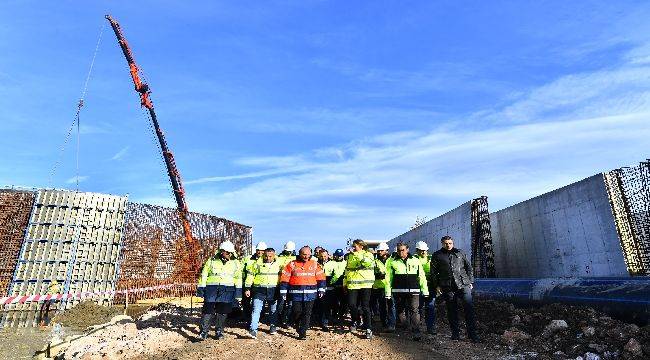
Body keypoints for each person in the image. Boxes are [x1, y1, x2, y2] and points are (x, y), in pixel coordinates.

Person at [430, 235, 479, 342]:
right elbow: (433, 272)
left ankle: (472, 334)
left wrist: (470, 281)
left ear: (453, 243)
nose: (448, 245)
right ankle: (455, 334)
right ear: (442, 244)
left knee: (469, 308)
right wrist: (437, 285)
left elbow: (469, 267)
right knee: (452, 311)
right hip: (448, 286)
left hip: (463, 285)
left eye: (450, 243)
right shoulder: (437, 255)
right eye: (446, 243)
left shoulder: (460, 253)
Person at [196, 241, 243, 340]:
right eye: (227, 252)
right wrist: (201, 288)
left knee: (222, 312)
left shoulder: (236, 262)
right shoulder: (212, 260)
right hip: (211, 289)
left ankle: (219, 332)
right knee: (207, 310)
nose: (230, 254)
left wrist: (238, 293)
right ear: (222, 251)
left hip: (227, 290)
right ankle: (204, 332)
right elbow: (204, 275)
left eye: (231, 252)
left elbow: (238, 278)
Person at [279, 246, 326, 340]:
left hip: (311, 294)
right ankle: (298, 326)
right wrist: (283, 291)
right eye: (304, 254)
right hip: (296, 294)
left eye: (308, 254)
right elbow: (285, 277)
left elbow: (321, 277)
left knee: (307, 313)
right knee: (297, 312)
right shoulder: (292, 264)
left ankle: (303, 332)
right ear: (299, 254)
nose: (306, 256)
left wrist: (321, 289)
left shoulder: (314, 264)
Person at [385, 242, 428, 341]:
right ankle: (406, 325)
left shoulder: (415, 260)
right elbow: (388, 278)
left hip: (414, 290)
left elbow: (421, 276)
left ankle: (416, 331)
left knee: (414, 310)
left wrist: (425, 290)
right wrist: (388, 292)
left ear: (407, 250)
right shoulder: (392, 261)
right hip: (398, 290)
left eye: (403, 250)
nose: (401, 252)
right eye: (399, 250)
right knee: (400, 311)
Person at [245, 247, 281, 338]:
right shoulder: (256, 264)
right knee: (256, 310)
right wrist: (247, 288)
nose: (268, 258)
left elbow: (282, 277)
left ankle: (273, 327)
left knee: (273, 310)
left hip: (273, 290)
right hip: (259, 290)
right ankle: (253, 330)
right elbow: (250, 276)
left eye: (270, 256)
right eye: (266, 256)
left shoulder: (279, 265)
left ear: (274, 256)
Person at [344, 239, 375, 339]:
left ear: (361, 246)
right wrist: (345, 283)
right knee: (352, 304)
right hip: (353, 284)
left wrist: (356, 254)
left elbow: (367, 263)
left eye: (355, 246)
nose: (353, 248)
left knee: (365, 307)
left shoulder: (368, 254)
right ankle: (356, 320)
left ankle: (368, 328)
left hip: (365, 284)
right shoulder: (349, 256)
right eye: (352, 246)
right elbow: (347, 270)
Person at [371, 242, 396, 332]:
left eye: (381, 250)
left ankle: (392, 324)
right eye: (378, 251)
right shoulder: (374, 261)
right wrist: (377, 275)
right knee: (382, 306)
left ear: (386, 251)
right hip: (379, 287)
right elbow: (370, 273)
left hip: (390, 286)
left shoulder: (392, 260)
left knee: (391, 305)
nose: (379, 252)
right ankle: (384, 323)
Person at [319, 249, 345, 331]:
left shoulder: (332, 263)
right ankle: (323, 321)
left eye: (325, 256)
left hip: (330, 287)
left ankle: (329, 320)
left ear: (328, 255)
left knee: (331, 304)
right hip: (319, 287)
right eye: (322, 256)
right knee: (322, 305)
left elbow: (336, 274)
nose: (323, 258)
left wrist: (330, 282)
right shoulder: (316, 263)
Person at [241, 242, 267, 324]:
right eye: (258, 250)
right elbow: (241, 270)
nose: (260, 252)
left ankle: (259, 318)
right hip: (248, 284)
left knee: (259, 302)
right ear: (256, 250)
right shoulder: (248, 259)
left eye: (262, 251)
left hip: (259, 285)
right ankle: (246, 317)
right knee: (246, 302)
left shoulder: (266, 260)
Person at [415, 241, 436, 335]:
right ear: (417, 250)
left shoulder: (431, 258)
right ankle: (416, 327)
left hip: (431, 286)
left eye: (425, 250)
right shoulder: (413, 259)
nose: (423, 252)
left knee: (430, 307)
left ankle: (430, 327)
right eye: (421, 251)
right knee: (417, 308)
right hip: (418, 287)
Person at [276, 241, 296, 327]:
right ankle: (280, 318)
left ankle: (287, 319)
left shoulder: (296, 259)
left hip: (293, 284)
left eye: (290, 251)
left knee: (291, 303)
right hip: (282, 283)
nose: (289, 252)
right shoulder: (278, 258)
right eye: (288, 251)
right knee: (281, 302)